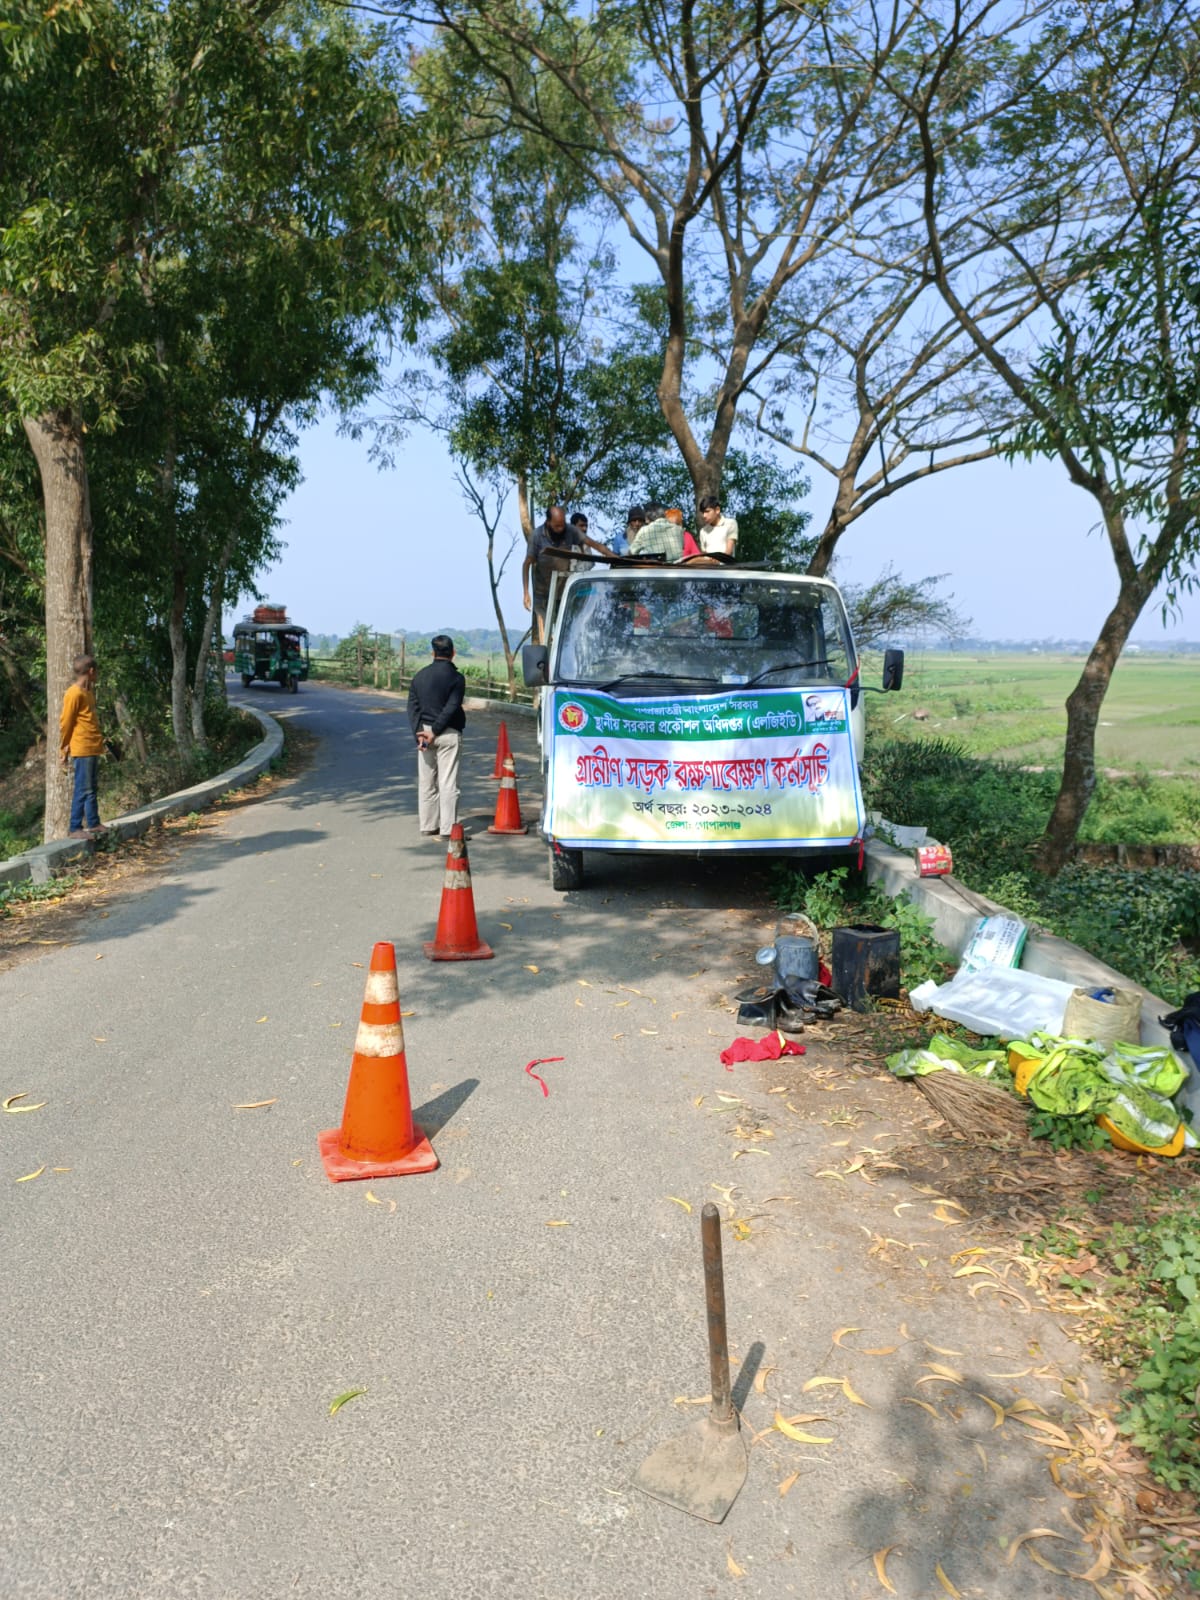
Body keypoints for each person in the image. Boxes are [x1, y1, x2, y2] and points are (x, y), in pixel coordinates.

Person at [407, 635, 466, 838]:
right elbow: (452, 707)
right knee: (448, 783)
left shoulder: (419, 676)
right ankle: (448, 829)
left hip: (424, 734)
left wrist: (420, 734)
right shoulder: (457, 679)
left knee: (426, 781)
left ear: (432, 653)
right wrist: (437, 730)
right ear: (453, 653)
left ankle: (428, 825)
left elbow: (412, 708)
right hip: (448, 734)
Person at [523, 505, 608, 641]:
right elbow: (527, 563)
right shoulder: (537, 536)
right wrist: (526, 593)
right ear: (548, 523)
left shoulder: (572, 534)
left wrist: (613, 556)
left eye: (562, 526)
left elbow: (596, 546)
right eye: (557, 526)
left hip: (565, 592)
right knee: (548, 636)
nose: (560, 529)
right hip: (544, 594)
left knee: (568, 632)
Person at [59, 652, 107, 839]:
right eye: (96, 672)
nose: (97, 676)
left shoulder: (87, 693)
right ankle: (74, 827)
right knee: (83, 788)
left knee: (91, 787)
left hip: (92, 746)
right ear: (91, 671)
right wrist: (63, 748)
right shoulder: (73, 694)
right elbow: (66, 723)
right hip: (82, 748)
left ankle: (93, 823)